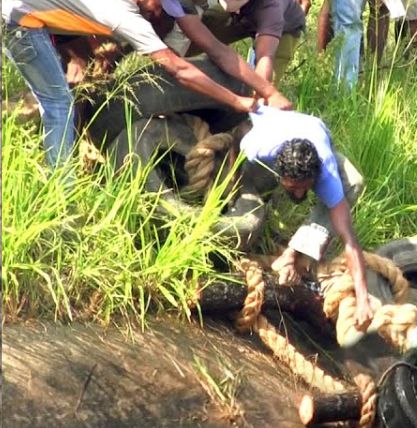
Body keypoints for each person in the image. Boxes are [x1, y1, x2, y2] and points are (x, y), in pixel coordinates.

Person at [1, 0, 286, 170]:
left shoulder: (150, 6)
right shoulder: (123, 15)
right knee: (58, 103)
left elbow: (213, 49)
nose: (160, 13)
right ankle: (59, 182)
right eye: (159, 5)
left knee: (59, 96)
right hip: (20, 21)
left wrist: (267, 90)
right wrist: (236, 101)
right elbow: (178, 69)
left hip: (33, 18)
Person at [238, 107, 374, 329]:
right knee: (250, 186)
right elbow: (238, 135)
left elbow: (349, 239)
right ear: (281, 174)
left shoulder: (325, 172)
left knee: (354, 182)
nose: (300, 194)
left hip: (312, 132)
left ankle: (293, 254)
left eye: (306, 187)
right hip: (268, 123)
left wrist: (363, 297)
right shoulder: (258, 148)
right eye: (293, 187)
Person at [166, 0, 307, 82]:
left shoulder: (271, 9)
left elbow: (266, 57)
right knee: (198, 30)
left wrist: (263, 92)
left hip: (285, 28)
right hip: (237, 14)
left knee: (263, 89)